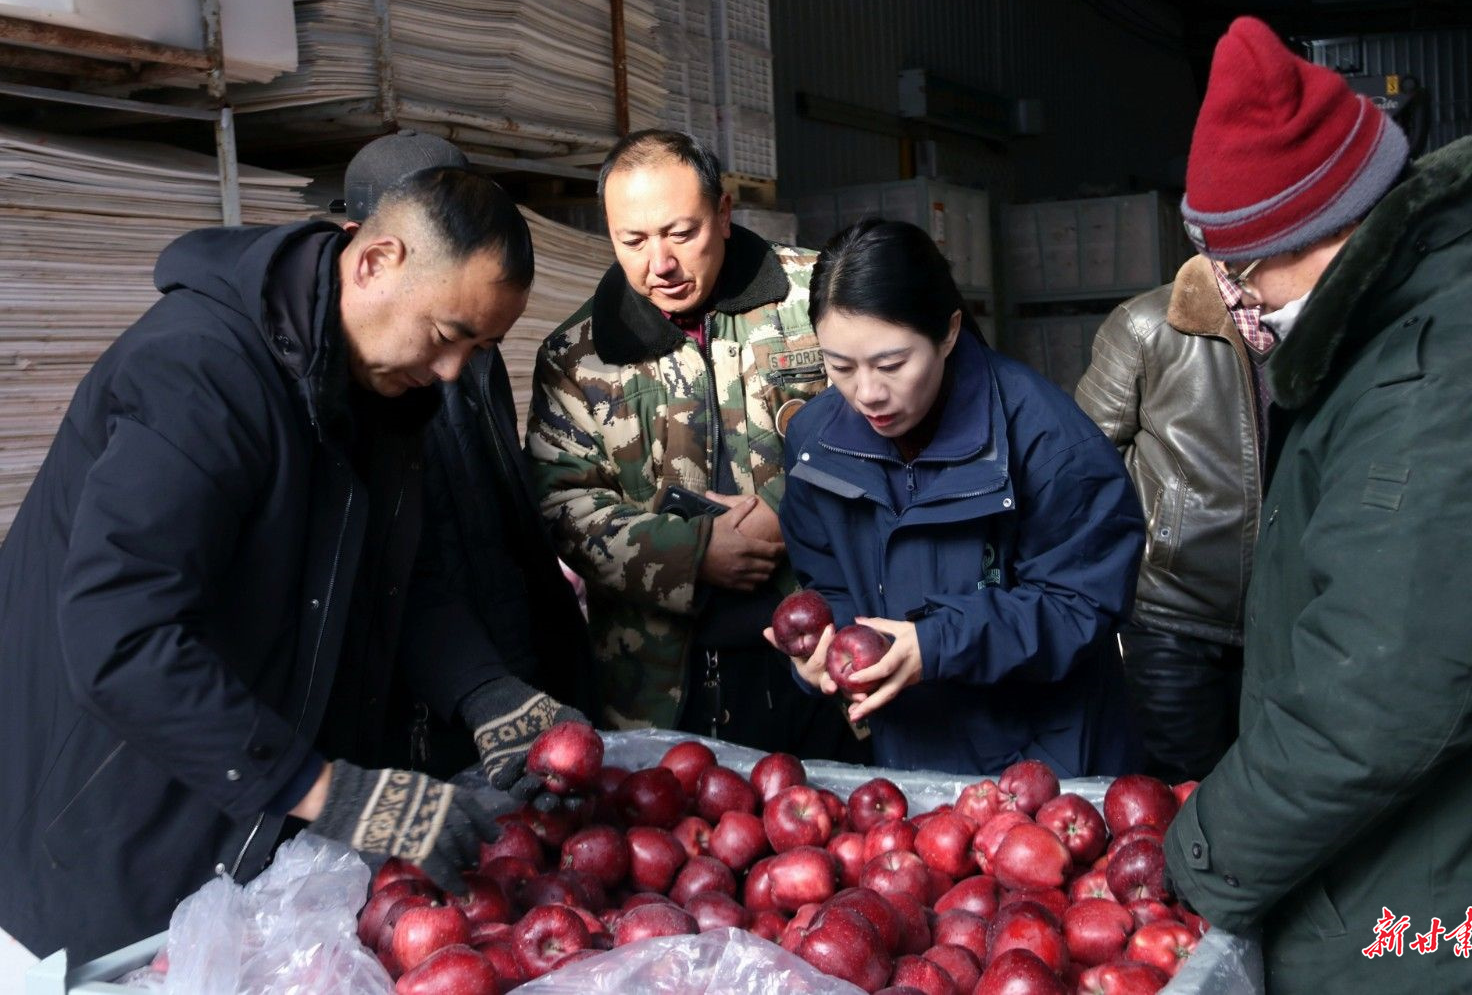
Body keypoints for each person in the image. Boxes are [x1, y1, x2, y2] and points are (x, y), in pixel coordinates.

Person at [0, 167, 553, 961]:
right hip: (113, 831)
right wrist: (331, 792)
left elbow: (397, 573)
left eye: (480, 347)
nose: (454, 372)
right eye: (446, 334)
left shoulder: (381, 393)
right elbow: (121, 636)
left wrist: (487, 690)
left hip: (247, 827)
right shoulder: (199, 373)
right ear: (373, 261)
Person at [1161, 17, 1472, 993]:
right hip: (1459, 872)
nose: (1239, 301)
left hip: (1462, 923)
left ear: (1320, 231)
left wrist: (1195, 858)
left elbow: (1369, 704)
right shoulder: (1423, 331)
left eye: (1244, 272)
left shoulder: (1442, 390)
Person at [528, 129, 862, 761]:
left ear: (725, 214)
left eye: (682, 234)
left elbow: (893, 433)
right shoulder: (578, 357)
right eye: (633, 241)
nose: (661, 264)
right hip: (660, 687)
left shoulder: (816, 299)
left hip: (828, 659)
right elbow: (561, 508)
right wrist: (693, 554)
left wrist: (796, 519)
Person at [776, 218, 1146, 778]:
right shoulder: (814, 446)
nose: (868, 393)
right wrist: (824, 653)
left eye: (892, 364)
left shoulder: (1050, 444)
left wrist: (940, 643)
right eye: (840, 367)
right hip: (908, 764)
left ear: (949, 333)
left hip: (1046, 765)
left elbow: (1082, 605)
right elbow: (825, 581)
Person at [331, 131, 594, 782]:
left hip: (496, 661)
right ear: (368, 246)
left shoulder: (475, 350)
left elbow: (498, 503)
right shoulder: (352, 378)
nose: (449, 367)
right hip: (423, 699)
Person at [1074, 248, 1275, 781]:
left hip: (1283, 615)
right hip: (1169, 615)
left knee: (1272, 790)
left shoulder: (1307, 318)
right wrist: (1148, 552)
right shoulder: (1145, 326)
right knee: (1182, 792)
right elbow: (1085, 469)